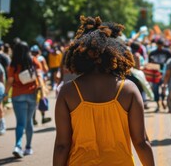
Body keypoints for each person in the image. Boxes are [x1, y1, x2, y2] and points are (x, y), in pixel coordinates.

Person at [53, 16, 154, 166]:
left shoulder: (68, 91)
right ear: (115, 53)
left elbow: (62, 145)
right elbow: (141, 142)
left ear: (79, 55)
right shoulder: (128, 89)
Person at [5, 42, 41, 158]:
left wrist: (5, 94)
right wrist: (42, 90)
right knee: (29, 121)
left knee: (20, 123)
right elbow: (40, 75)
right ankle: (28, 147)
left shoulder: (13, 64)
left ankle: (18, 146)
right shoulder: (33, 60)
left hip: (17, 95)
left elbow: (10, 81)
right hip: (32, 95)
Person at [148, 38, 171, 112]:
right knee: (155, 90)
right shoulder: (152, 53)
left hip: (165, 74)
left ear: (163, 45)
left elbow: (170, 63)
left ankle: (163, 101)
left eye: (161, 45)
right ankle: (158, 105)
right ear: (157, 45)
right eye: (159, 45)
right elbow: (150, 64)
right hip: (155, 74)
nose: (160, 47)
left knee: (164, 89)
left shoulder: (168, 52)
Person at [0, 44, 11, 135]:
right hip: (1, 82)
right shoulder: (5, 57)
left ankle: (1, 123)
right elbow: (9, 70)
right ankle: (1, 122)